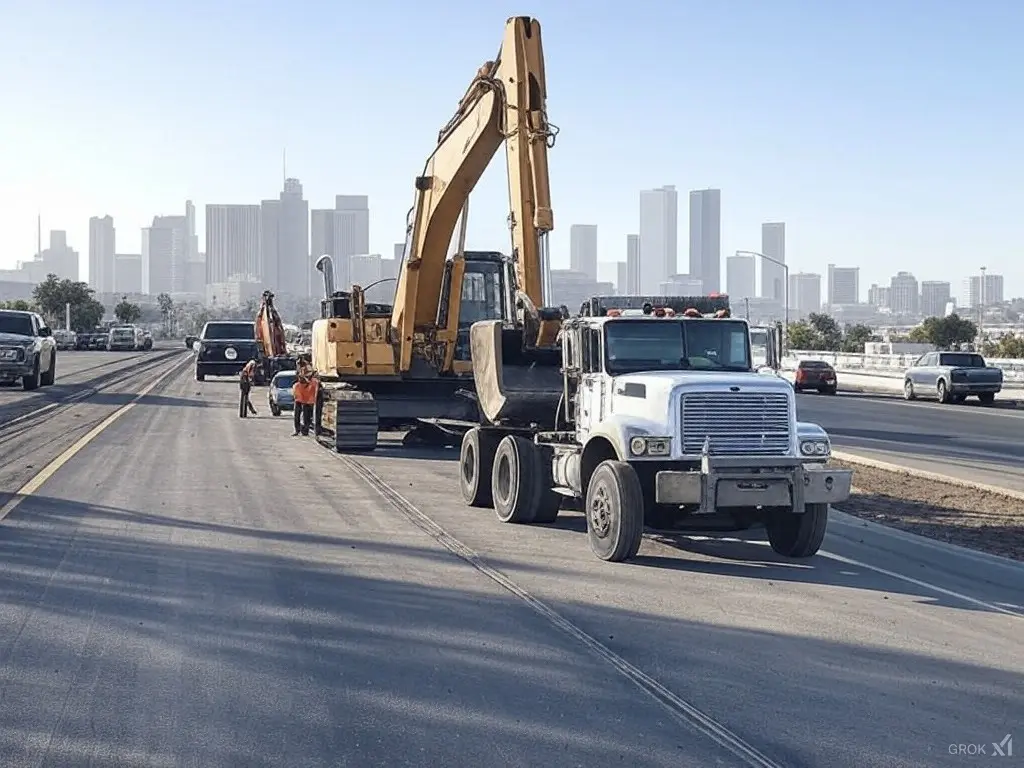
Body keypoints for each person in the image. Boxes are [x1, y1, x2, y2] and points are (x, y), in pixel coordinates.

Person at [292, 358, 317, 436]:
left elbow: (310, 376)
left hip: (307, 393)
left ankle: (305, 430)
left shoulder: (308, 368)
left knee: (306, 414)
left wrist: (305, 377)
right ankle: (297, 430)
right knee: (297, 414)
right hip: (300, 393)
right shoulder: (299, 369)